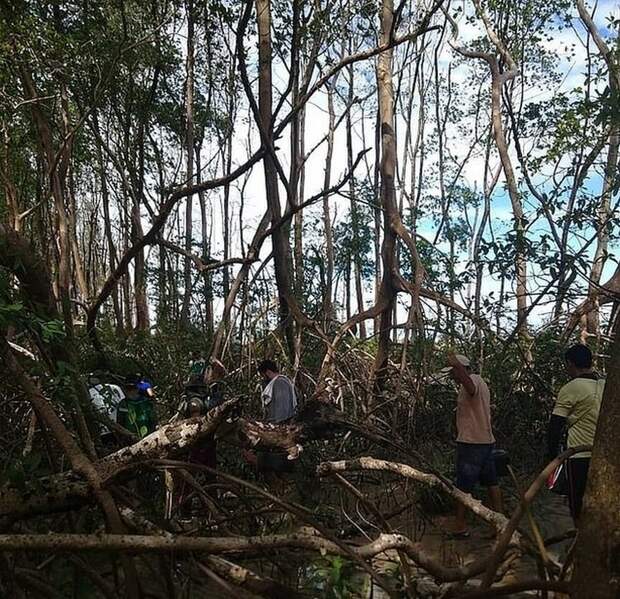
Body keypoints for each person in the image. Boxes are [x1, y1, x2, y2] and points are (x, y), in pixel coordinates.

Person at [443, 352, 503, 538]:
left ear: (461, 369)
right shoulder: (478, 382)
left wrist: (455, 363)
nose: (452, 376)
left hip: (472, 444)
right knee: (491, 482)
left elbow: (469, 386)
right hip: (484, 441)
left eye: (453, 372)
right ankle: (499, 524)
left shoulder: (473, 380)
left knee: (462, 488)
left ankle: (459, 526)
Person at [547, 344, 604, 522]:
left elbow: (555, 426)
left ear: (570, 364)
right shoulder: (605, 385)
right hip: (604, 455)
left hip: (579, 456)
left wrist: (552, 457)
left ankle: (579, 539)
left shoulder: (570, 388)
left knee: (577, 500)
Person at [243, 359, 298, 474]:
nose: (263, 379)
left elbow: (282, 411)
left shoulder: (280, 383)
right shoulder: (280, 382)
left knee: (273, 461)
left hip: (279, 429)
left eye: (263, 375)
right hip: (275, 428)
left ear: (267, 372)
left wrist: (272, 429)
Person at [87, 374, 125, 446]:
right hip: (120, 425)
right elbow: (124, 403)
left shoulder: (89, 393)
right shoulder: (115, 387)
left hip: (104, 429)